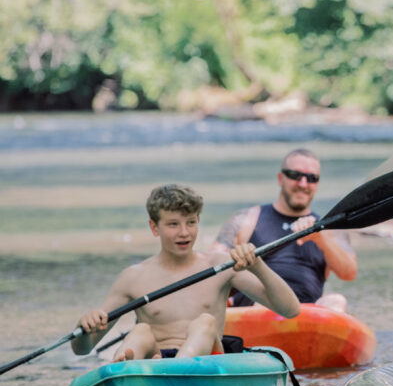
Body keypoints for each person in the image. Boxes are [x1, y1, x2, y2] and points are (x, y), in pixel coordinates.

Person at [72, 184, 301, 361]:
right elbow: (83, 349)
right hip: (156, 360)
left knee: (204, 323)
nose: (184, 233)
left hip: (209, 363)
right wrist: (83, 328)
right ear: (154, 227)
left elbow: (290, 310)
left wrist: (258, 266)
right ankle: (123, 370)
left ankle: (175, 371)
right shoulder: (133, 277)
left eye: (191, 222)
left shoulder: (221, 265)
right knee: (141, 331)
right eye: (173, 224)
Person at [213, 148, 358, 312]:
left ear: (317, 184)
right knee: (264, 305)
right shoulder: (246, 219)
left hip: (306, 315)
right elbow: (212, 267)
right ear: (280, 178)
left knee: (337, 301)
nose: (303, 184)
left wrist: (320, 239)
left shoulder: (328, 229)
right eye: (295, 175)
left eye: (311, 178)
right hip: (258, 306)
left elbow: (349, 273)